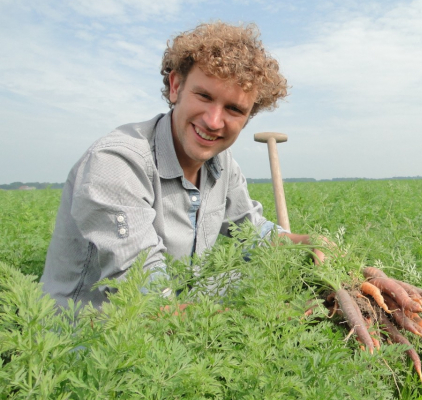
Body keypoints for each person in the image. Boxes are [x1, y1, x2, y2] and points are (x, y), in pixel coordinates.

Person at [41, 21, 326, 310]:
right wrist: (274, 316)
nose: (214, 122)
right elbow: (146, 300)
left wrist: (308, 243)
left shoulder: (221, 165)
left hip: (178, 311)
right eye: (204, 96)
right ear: (176, 86)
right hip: (92, 339)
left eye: (234, 109)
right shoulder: (117, 163)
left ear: (248, 116)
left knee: (279, 277)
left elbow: (251, 232)